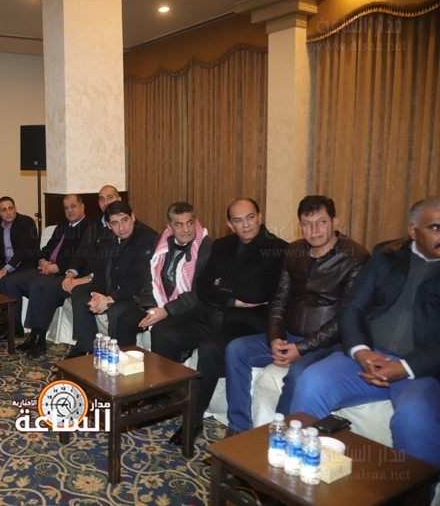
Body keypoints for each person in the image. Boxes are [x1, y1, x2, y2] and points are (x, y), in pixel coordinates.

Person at [291, 196, 440, 467]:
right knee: (311, 382)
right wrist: (361, 352)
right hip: (366, 356)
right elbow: (352, 307)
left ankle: (415, 489)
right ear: (413, 230)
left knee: (414, 416)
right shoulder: (387, 255)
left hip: (420, 370)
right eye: (435, 228)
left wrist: (405, 367)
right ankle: (299, 470)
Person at [225, 196, 370, 432]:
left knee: (298, 373)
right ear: (300, 225)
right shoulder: (294, 251)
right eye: (307, 224)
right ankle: (238, 427)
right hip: (290, 335)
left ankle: (281, 436)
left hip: (329, 344)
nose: (314, 230)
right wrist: (275, 338)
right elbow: (279, 300)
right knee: (236, 350)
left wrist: (301, 349)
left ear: (335, 222)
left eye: (321, 222)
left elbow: (347, 316)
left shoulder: (356, 257)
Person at [169, 198, 287, 446]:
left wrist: (222, 283)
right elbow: (204, 287)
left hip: (256, 325)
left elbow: (257, 292)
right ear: (230, 224)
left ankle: (194, 419)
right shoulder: (222, 245)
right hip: (226, 315)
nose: (246, 224)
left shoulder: (278, 248)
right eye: (238, 220)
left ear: (260, 217)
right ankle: (175, 404)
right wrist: (233, 299)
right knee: (170, 331)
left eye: (250, 217)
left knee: (210, 347)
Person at [118, 201, 215, 357]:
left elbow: (200, 293)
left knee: (160, 331)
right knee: (125, 320)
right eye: (179, 225)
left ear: (195, 222)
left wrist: (167, 311)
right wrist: (151, 306)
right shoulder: (161, 241)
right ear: (169, 228)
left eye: (190, 223)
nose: (186, 229)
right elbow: (150, 276)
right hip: (160, 300)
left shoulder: (207, 248)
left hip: (189, 309)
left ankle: (163, 372)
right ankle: (128, 366)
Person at [67, 200, 157, 357]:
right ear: (109, 225)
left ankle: (118, 357)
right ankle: (87, 349)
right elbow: (101, 270)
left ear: (133, 217)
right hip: (115, 287)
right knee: (81, 296)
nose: (121, 228)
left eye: (125, 220)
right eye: (115, 223)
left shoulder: (147, 238)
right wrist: (97, 295)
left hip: (138, 294)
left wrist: (109, 299)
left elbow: (139, 282)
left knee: (115, 311)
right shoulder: (108, 238)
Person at [15, 194, 90, 358]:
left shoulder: (88, 227)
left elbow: (81, 256)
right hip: (50, 269)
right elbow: (48, 248)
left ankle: (39, 337)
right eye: (66, 208)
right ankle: (34, 335)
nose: (69, 210)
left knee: (45, 286)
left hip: (70, 273)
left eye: (73, 206)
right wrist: (42, 261)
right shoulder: (62, 225)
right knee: (36, 284)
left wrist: (58, 267)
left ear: (82, 206)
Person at [0, 196, 41, 338]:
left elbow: (22, 251)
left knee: (7, 280)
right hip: (7, 266)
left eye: (10, 208)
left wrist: (5, 270)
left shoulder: (26, 222)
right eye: (4, 210)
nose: (8, 212)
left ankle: (14, 325)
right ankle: (7, 323)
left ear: (15, 208)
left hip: (27, 266)